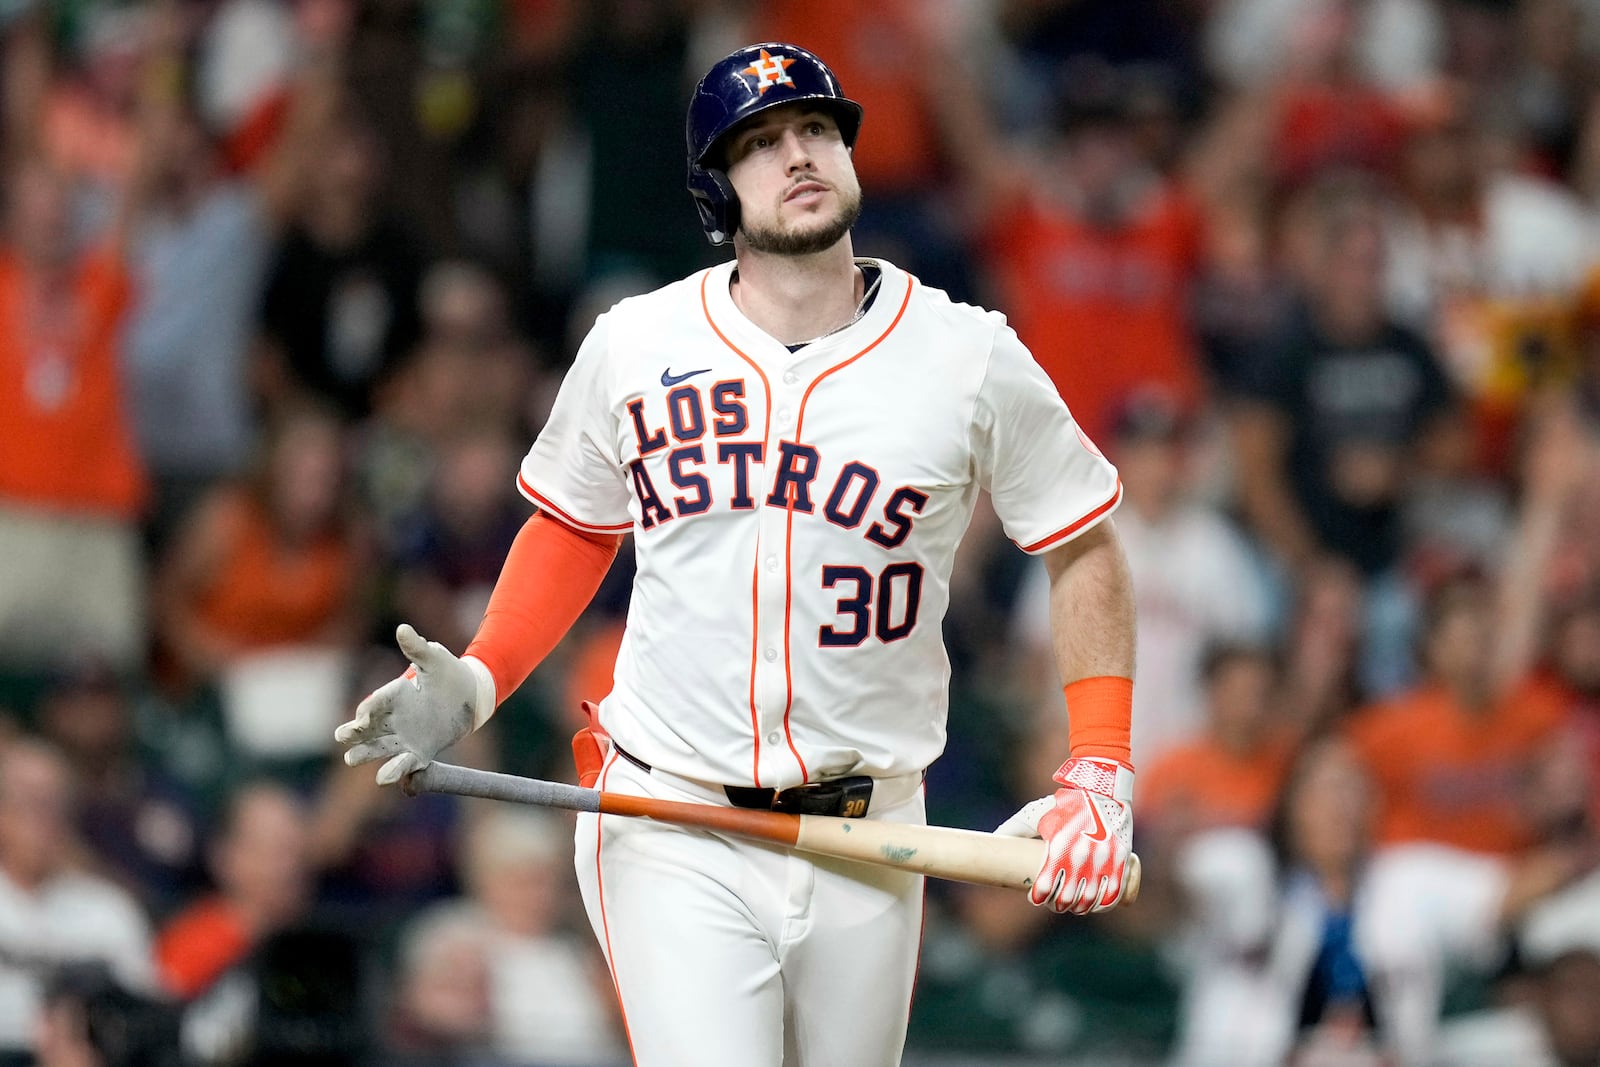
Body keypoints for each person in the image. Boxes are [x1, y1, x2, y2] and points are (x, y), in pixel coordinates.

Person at [336, 42, 1138, 1066]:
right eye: (758, 143)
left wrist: (1099, 768)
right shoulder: (637, 339)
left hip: (873, 821)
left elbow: (1086, 546)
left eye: (813, 128)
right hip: (675, 811)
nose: (796, 153)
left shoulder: (967, 351)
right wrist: (484, 675)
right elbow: (579, 523)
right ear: (717, 190)